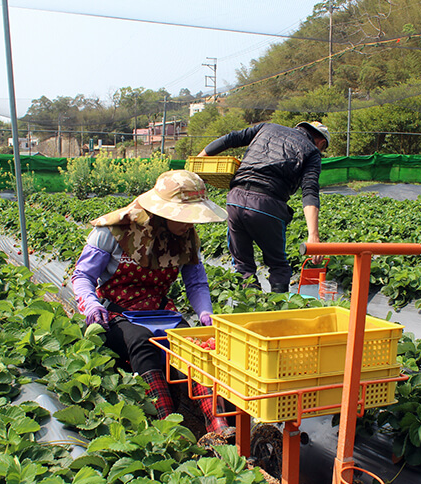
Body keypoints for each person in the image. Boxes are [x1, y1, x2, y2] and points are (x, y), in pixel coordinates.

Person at [70, 169, 231, 435]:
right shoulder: (115, 230)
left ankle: (218, 423)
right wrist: (91, 303)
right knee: (141, 342)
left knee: (194, 346)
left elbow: (196, 282)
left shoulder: (187, 237)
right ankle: (166, 423)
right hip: (118, 313)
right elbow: (83, 275)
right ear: (162, 210)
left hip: (160, 310)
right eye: (184, 216)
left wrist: (205, 313)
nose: (190, 223)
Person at [197, 121, 330, 293]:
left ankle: (250, 307)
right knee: (278, 265)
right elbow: (310, 191)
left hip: (235, 200)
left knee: (243, 265)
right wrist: (314, 236)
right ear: (321, 143)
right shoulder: (312, 152)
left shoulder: (268, 127)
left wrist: (200, 159)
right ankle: (277, 310)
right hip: (267, 205)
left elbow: (231, 138)